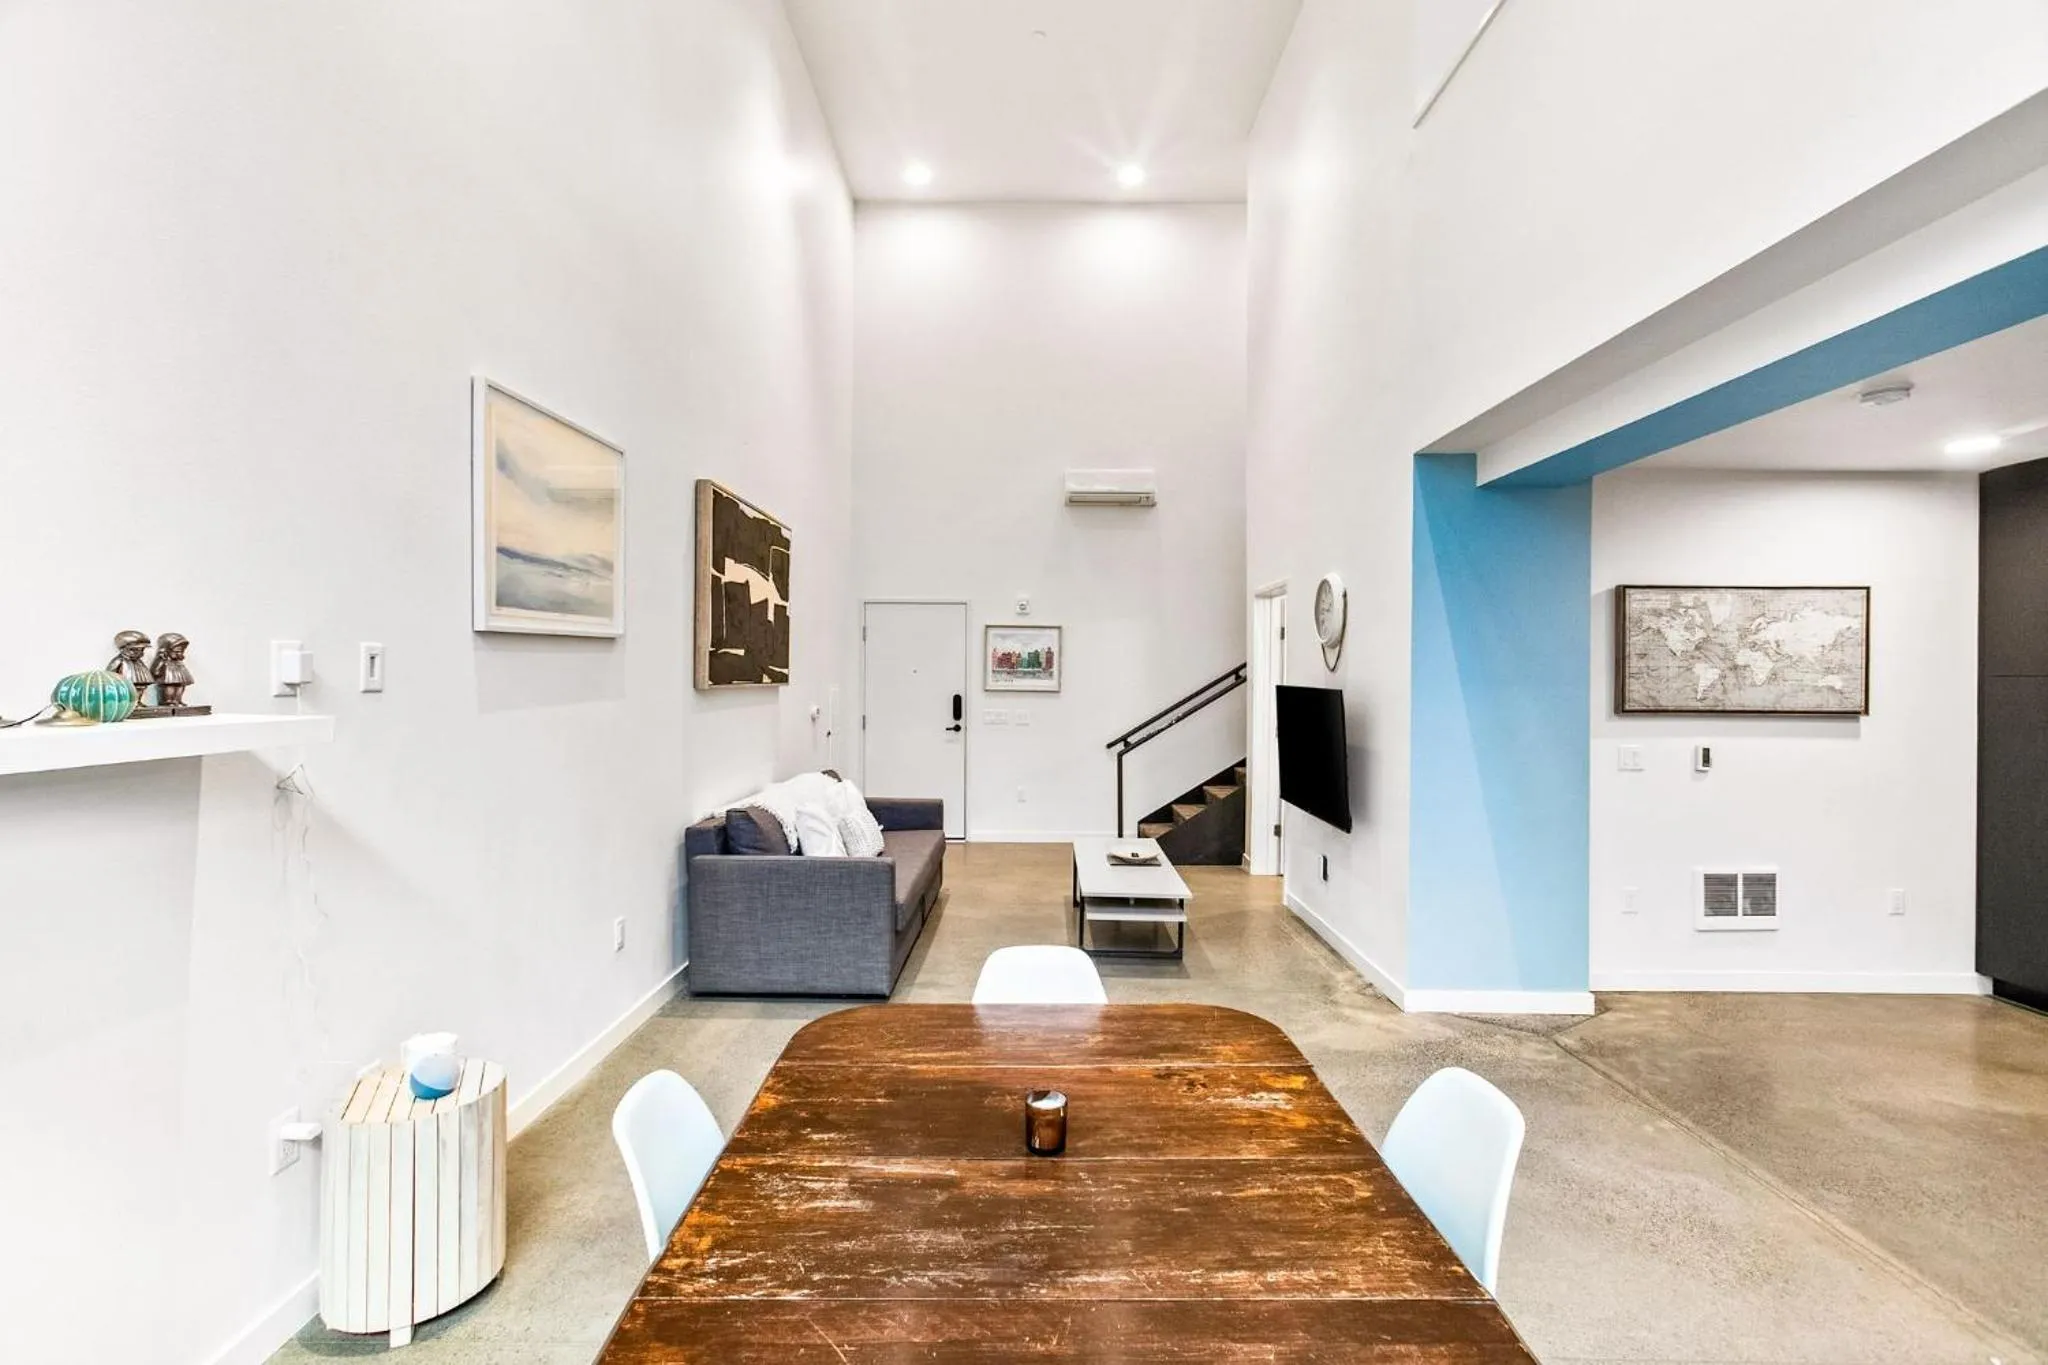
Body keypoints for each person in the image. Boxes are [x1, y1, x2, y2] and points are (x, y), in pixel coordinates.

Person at [148, 632, 194, 707]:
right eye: (177, 651)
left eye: (181, 651)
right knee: (170, 687)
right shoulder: (163, 660)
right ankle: (168, 700)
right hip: (169, 678)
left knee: (180, 687)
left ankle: (177, 699)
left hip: (179, 676)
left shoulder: (178, 662)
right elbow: (155, 671)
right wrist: (160, 664)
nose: (179, 653)